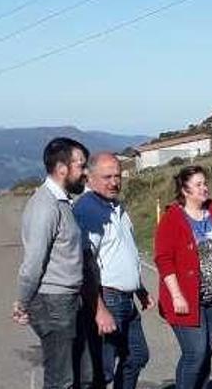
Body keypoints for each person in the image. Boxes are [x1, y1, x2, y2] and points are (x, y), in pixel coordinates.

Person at [154, 165, 212, 389]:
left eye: (205, 183)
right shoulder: (172, 218)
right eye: (198, 185)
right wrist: (176, 296)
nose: (205, 188)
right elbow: (163, 260)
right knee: (195, 353)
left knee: (205, 355)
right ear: (185, 190)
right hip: (186, 299)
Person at [12, 137, 93, 389]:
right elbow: (33, 263)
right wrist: (23, 302)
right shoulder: (45, 206)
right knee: (62, 381)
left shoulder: (62, 201)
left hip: (69, 299)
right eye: (80, 165)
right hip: (52, 302)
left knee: (85, 375)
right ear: (62, 169)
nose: (85, 172)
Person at [74, 152, 152, 389]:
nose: (114, 182)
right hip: (108, 298)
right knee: (102, 370)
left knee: (137, 355)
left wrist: (139, 287)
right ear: (89, 178)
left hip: (126, 299)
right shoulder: (88, 210)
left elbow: (123, 251)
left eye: (117, 176)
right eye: (107, 177)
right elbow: (85, 265)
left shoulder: (115, 206)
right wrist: (99, 309)